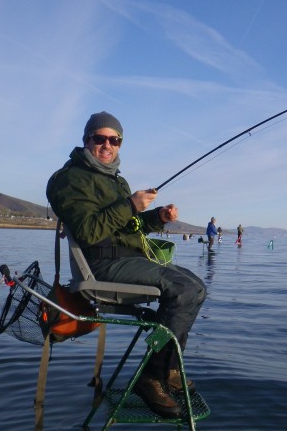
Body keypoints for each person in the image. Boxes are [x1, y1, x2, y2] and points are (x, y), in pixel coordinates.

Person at [46, 112, 206, 418]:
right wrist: (130, 204)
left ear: (120, 144)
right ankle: (149, 378)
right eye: (100, 138)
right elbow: (91, 231)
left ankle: (169, 367)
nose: (107, 145)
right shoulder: (68, 180)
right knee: (183, 288)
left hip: (129, 259)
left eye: (114, 140)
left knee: (196, 288)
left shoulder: (116, 181)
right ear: (86, 140)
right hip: (102, 266)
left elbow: (127, 228)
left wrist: (155, 217)